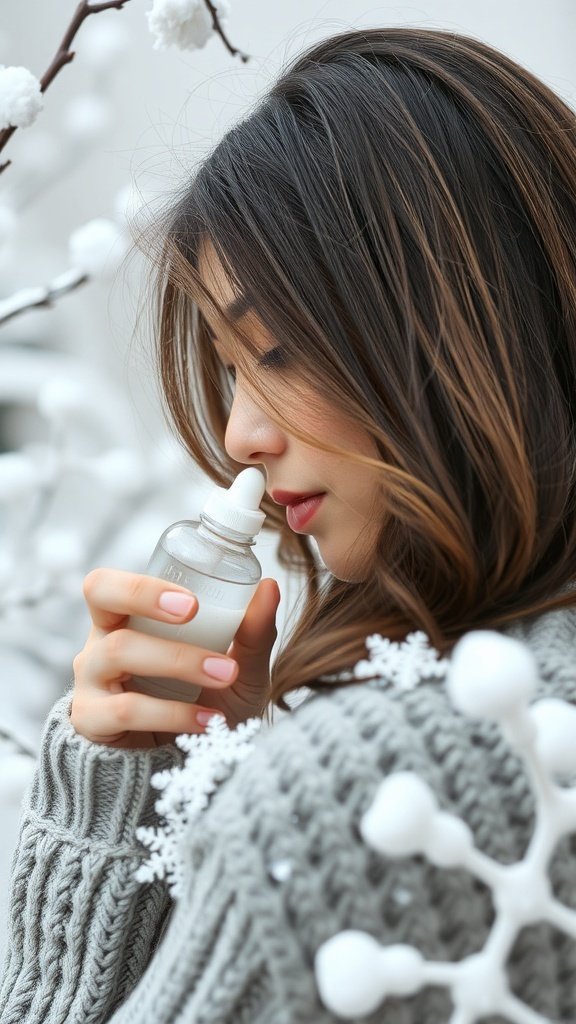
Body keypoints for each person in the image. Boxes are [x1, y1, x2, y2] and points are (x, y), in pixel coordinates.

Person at [1, 24, 576, 1024]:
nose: (238, 435)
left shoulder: (367, 800)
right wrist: (190, 775)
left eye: (274, 350)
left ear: (460, 326)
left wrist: (103, 809)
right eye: (227, 367)